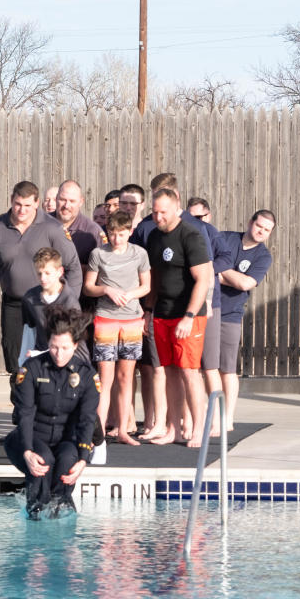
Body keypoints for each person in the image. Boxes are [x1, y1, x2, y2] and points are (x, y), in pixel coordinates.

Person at [0, 180, 81, 374]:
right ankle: (21, 403)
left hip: (48, 304)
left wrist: (68, 301)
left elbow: (73, 267)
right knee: (16, 363)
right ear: (11, 200)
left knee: (51, 359)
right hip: (14, 306)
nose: (22, 210)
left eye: (28, 205)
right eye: (18, 204)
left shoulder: (52, 228)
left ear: (37, 203)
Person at [5, 307, 100, 519]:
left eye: (65, 348)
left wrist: (83, 459)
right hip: (32, 439)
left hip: (66, 441)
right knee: (43, 461)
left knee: (67, 461)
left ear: (75, 346)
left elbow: (87, 419)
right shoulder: (32, 369)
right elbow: (25, 414)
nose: (59, 353)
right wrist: (27, 451)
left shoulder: (87, 376)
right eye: (54, 347)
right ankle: (36, 516)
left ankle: (61, 514)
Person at [143, 188, 213, 447]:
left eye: (163, 212)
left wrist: (189, 315)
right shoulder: (153, 236)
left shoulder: (191, 235)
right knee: (170, 372)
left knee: (189, 372)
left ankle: (197, 429)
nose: (158, 217)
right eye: (155, 212)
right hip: (163, 313)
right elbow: (155, 278)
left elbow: (203, 279)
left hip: (188, 316)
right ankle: (174, 428)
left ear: (177, 209)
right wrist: (148, 311)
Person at [83, 210, 151, 444]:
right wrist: (107, 290)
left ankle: (123, 429)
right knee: (105, 377)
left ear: (130, 232)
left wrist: (129, 295)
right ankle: (98, 431)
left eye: (121, 234)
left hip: (131, 320)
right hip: (106, 319)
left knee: (126, 377)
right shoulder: (98, 254)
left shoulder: (139, 254)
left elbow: (146, 286)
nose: (116, 239)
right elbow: (88, 287)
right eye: (112, 234)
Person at [217, 210, 276, 429]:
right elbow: (206, 266)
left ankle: (228, 418)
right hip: (207, 310)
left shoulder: (263, 256)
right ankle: (211, 415)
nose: (261, 232)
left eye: (267, 230)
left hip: (231, 314)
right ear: (250, 222)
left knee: (228, 369)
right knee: (205, 369)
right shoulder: (225, 239)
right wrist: (232, 276)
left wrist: (221, 271)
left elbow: (246, 284)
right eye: (259, 226)